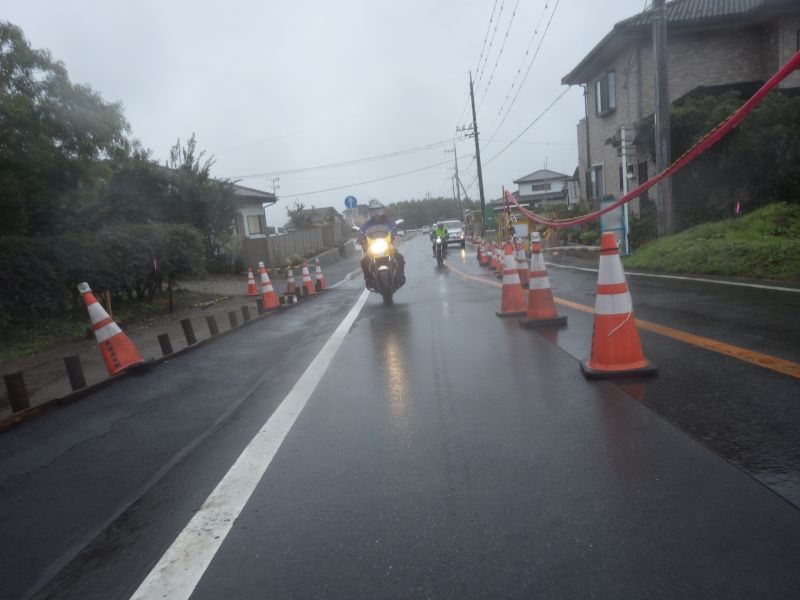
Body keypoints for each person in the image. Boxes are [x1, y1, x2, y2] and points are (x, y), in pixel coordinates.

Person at [358, 199, 406, 290]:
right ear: (370, 212)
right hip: (373, 246)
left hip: (387, 245)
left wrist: (395, 232)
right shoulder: (368, 224)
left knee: (399, 257)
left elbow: (394, 227)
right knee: (364, 261)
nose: (376, 213)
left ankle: (400, 274)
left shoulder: (388, 221)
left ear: (382, 210)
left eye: (378, 210)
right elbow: (362, 231)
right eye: (374, 211)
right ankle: (368, 279)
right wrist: (360, 238)